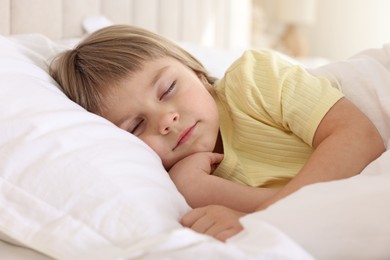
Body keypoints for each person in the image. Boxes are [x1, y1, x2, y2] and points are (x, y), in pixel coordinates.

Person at [49, 25, 385, 242]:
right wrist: (199, 189)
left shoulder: (252, 81)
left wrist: (258, 217)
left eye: (167, 89)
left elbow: (359, 137)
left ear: (197, 74)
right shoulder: (181, 185)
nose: (167, 119)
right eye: (136, 126)